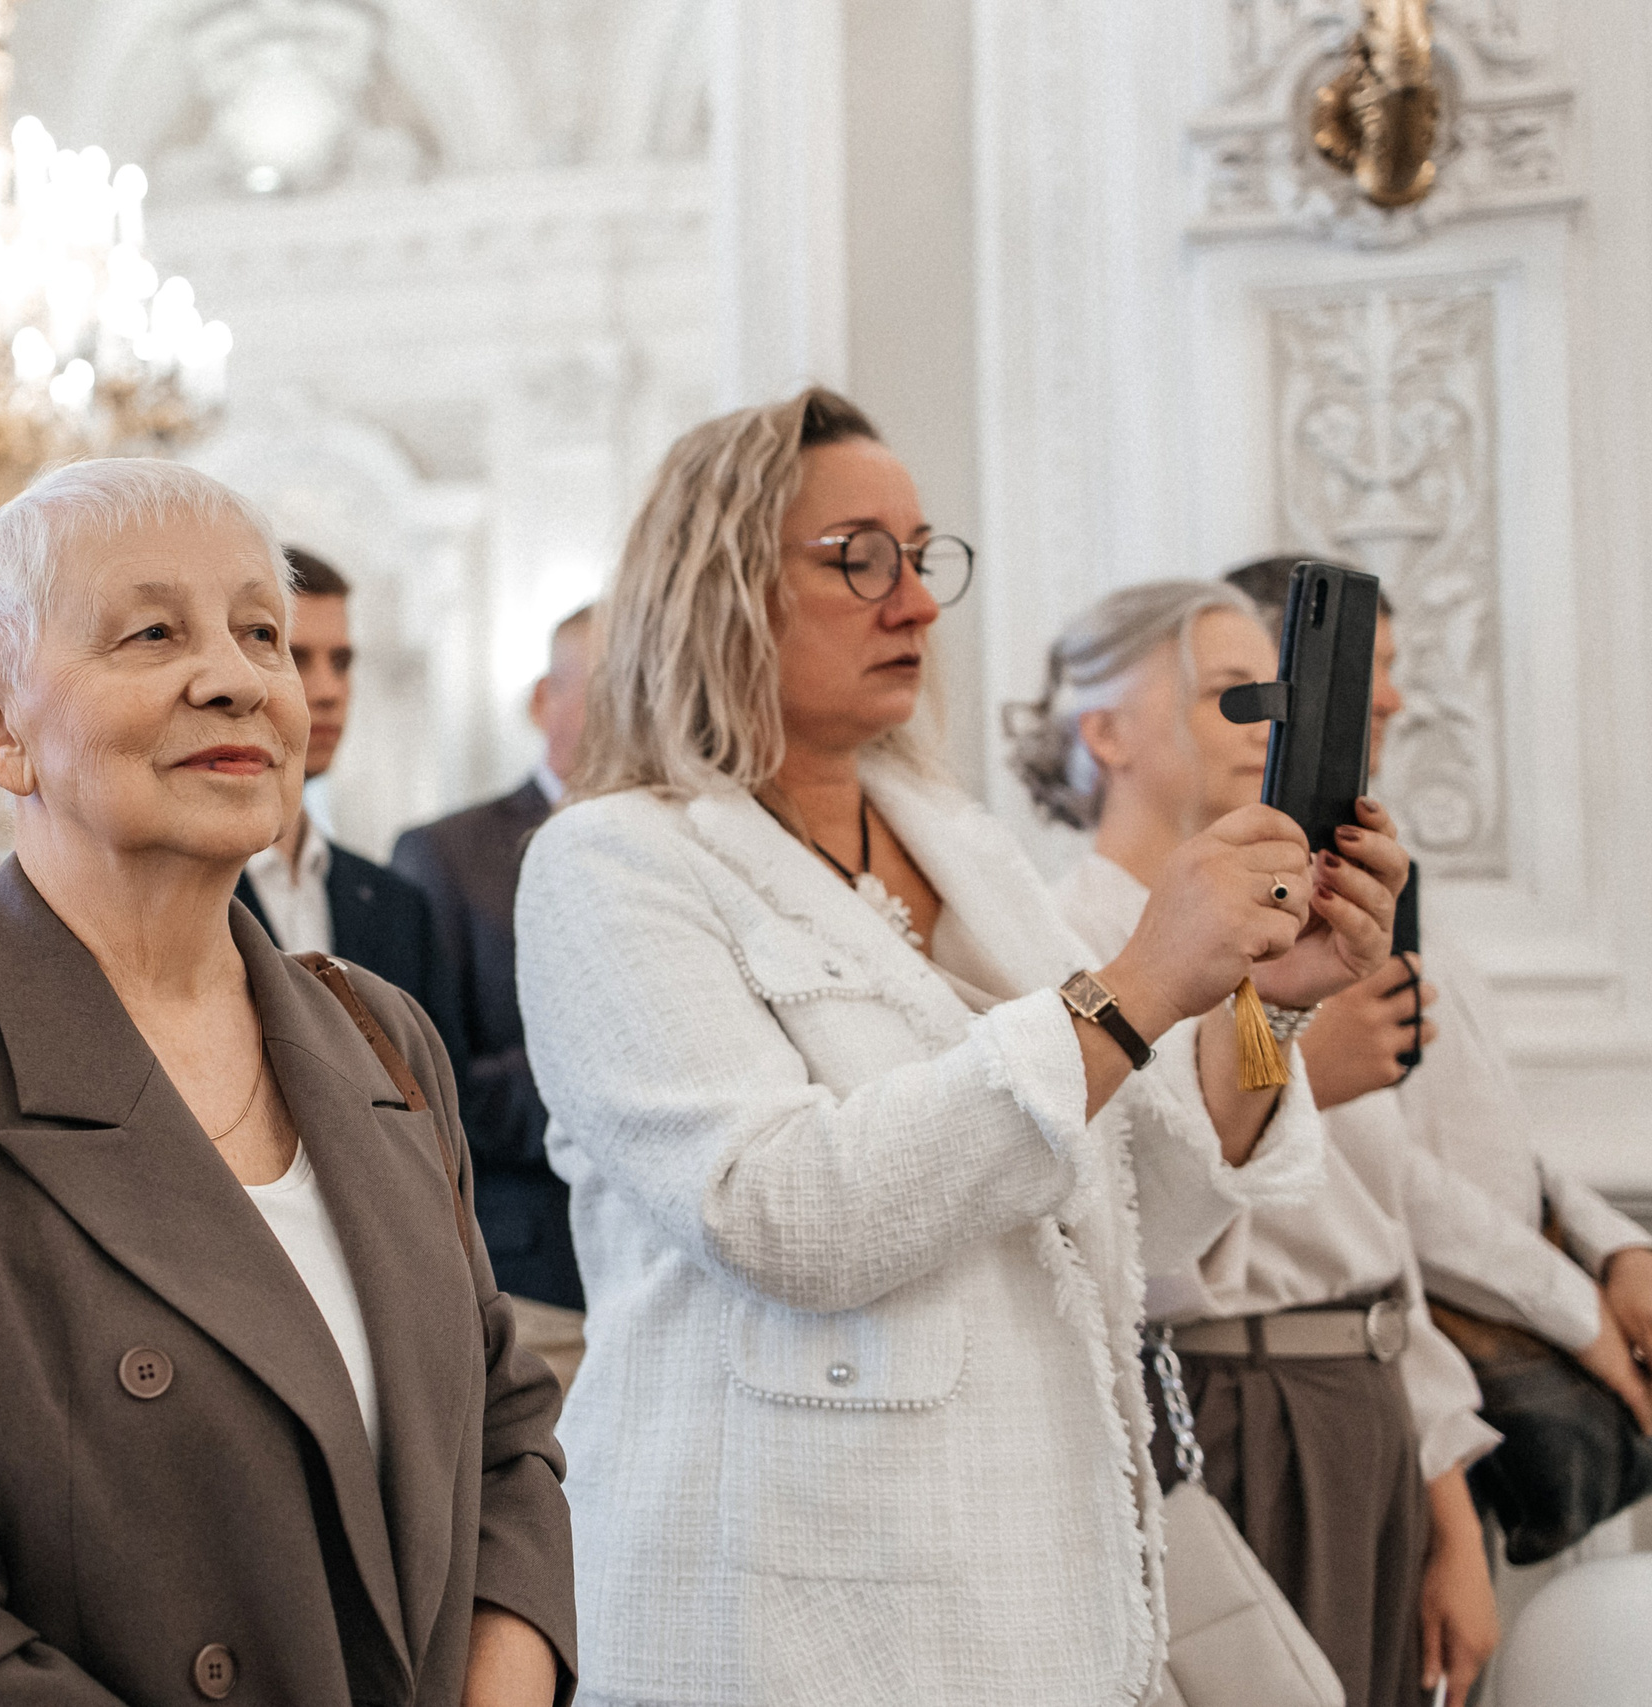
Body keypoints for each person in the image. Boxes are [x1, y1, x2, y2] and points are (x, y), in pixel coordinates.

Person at [515, 388, 1398, 1705]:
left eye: (923, 558)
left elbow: (1138, 1217)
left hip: (1033, 1600)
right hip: (780, 1611)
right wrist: (1142, 980)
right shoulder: (614, 861)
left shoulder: (963, 845)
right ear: (716, 586)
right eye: (856, 557)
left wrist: (1271, 1008)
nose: (917, 601)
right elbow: (784, 1212)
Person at [0, 460, 574, 1706]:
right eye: (152, 631)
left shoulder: (376, 1033)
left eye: (259, 634)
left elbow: (500, 1446)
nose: (236, 677)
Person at [1017, 577, 1649, 1705]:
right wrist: (1289, 1055)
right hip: (1220, 1396)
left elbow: (1376, 1225)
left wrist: (1443, 1491)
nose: (1266, 728)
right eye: (1227, 695)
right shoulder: (1058, 935)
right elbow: (1114, 1213)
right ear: (1100, 728)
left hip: (1366, 1397)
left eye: (1274, 697)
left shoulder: (1286, 921)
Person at [1223, 556, 1652, 1376]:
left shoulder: (1379, 876)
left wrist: (1612, 1244)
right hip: (1430, 1346)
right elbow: (1377, 1156)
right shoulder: (1256, 907)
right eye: (1372, 668)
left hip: (1512, 1317)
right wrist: (1576, 1311)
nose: (1393, 699)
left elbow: (1483, 1120)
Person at [392, 603, 598, 1376]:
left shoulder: (693, 841)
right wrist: (600, 1075)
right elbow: (426, 1080)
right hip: (535, 1272)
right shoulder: (448, 853)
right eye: (607, 684)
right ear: (545, 697)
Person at [233, 547, 462, 1063]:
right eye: (295, 657)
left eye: (341, 662)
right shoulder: (179, 896)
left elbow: (448, 1114)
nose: (329, 690)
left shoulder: (398, 906)